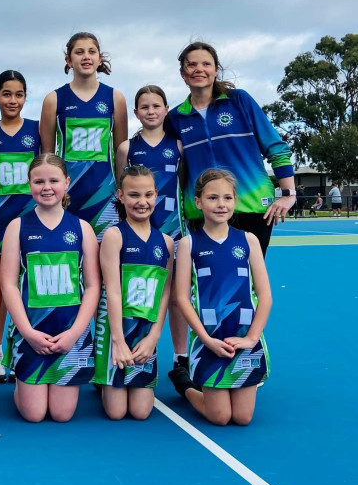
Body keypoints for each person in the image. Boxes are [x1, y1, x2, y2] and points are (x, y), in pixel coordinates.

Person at [167, 42, 295, 258]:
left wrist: (288, 194)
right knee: (209, 281)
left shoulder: (239, 100)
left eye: (206, 64)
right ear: (183, 73)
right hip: (201, 212)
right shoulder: (175, 117)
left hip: (252, 207)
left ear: (216, 70)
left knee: (249, 280)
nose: (199, 69)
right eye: (192, 65)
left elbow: (276, 147)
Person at [0, 154, 100, 422]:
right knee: (34, 414)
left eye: (53, 180)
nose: (46, 187)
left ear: (66, 182)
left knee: (61, 414)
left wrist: (74, 334)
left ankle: (37, 380)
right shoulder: (17, 227)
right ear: (29, 184)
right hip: (32, 331)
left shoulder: (82, 229)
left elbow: (92, 287)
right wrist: (27, 332)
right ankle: (21, 384)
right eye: (39, 181)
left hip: (68, 334)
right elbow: (8, 284)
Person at [168, 169, 271, 426]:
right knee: (220, 417)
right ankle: (186, 385)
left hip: (243, 337)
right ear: (198, 202)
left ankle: (232, 381)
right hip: (210, 340)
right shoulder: (189, 244)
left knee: (243, 417)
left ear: (235, 201)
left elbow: (265, 296)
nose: (221, 204)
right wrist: (206, 340)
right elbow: (182, 298)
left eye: (227, 198)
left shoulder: (249, 240)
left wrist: (251, 338)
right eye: (213, 198)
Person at [115, 85, 187, 375]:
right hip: (136, 231)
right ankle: (121, 348)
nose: (151, 111)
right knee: (131, 291)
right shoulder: (126, 148)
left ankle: (180, 355)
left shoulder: (178, 146)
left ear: (166, 110)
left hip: (173, 229)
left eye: (157, 106)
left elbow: (183, 184)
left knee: (176, 294)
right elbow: (121, 188)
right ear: (136, 113)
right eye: (144, 107)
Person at [94, 166, 174, 420]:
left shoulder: (167, 242)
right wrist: (117, 341)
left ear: (157, 195)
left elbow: (164, 293)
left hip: (144, 331)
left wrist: (153, 337)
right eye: (134, 195)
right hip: (115, 330)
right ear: (120, 195)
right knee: (116, 413)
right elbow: (113, 292)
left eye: (148, 195)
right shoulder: (115, 236)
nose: (142, 202)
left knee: (140, 412)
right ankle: (104, 380)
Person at [40, 32, 128, 241]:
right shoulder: (54, 99)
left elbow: (121, 153)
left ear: (99, 58)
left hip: (105, 196)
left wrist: (120, 193)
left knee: (103, 260)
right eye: (79, 52)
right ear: (69, 61)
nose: (86, 57)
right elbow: (47, 155)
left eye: (92, 52)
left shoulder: (115, 97)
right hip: (67, 194)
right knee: (68, 254)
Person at [0, 70, 40, 384]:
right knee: (2, 290)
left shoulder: (36, 131)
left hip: (32, 221)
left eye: (19, 94)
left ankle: (25, 351)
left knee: (29, 288)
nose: (13, 100)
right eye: (6, 94)